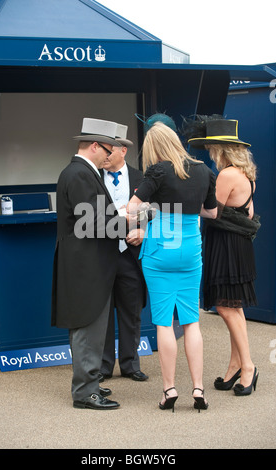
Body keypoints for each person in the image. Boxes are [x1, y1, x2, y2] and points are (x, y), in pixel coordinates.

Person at [127, 121, 217, 412]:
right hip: (191, 249)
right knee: (191, 320)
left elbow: (132, 209)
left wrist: (155, 210)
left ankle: (169, 389)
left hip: (161, 249)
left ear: (153, 149)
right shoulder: (203, 170)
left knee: (164, 321)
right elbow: (212, 212)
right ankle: (199, 388)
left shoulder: (158, 171)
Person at [52, 118, 128, 410]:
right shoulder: (81, 174)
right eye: (108, 150)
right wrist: (129, 222)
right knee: (87, 327)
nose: (110, 156)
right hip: (86, 265)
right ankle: (85, 392)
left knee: (91, 327)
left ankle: (90, 383)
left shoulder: (80, 172)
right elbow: (93, 223)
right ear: (95, 145)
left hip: (86, 264)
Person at [187, 116, 260, 396]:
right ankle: (235, 366)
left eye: (211, 148)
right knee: (234, 306)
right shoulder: (246, 174)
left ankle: (249, 367)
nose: (209, 152)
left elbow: (212, 211)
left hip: (227, 245)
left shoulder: (228, 174)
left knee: (227, 308)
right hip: (237, 244)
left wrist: (191, 203)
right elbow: (249, 213)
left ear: (221, 149)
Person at [99, 125, 148, 382]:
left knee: (131, 311)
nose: (105, 154)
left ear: (123, 151)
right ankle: (104, 366)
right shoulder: (93, 178)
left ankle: (130, 364)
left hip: (131, 256)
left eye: (110, 150)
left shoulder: (142, 178)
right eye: (103, 149)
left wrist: (143, 231)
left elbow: (155, 212)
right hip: (103, 255)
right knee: (104, 312)